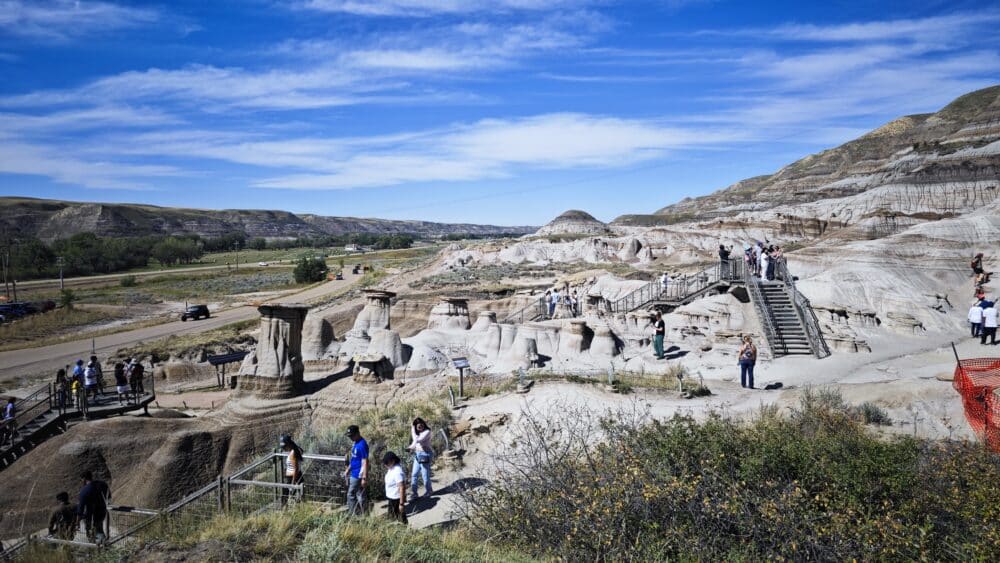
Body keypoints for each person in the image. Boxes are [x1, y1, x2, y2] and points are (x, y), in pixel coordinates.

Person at [77, 470, 110, 543]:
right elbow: (109, 497)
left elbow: (80, 509)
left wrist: (77, 522)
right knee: (98, 529)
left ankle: (102, 546)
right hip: (102, 512)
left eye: (81, 480)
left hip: (91, 515)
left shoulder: (84, 490)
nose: (81, 481)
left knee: (95, 532)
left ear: (84, 478)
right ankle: (98, 546)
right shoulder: (103, 484)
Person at [344, 425, 369, 516]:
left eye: (352, 436)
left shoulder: (362, 445)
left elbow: (365, 461)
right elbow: (354, 459)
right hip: (354, 472)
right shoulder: (356, 443)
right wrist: (348, 469)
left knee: (350, 495)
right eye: (349, 436)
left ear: (357, 433)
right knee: (360, 495)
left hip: (358, 474)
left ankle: (355, 514)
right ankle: (364, 514)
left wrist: (364, 477)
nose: (350, 438)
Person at [408, 418, 433, 499]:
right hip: (418, 454)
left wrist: (412, 429)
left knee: (425, 475)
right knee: (414, 474)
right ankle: (414, 493)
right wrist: (410, 448)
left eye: (421, 425)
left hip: (425, 454)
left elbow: (418, 440)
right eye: (418, 426)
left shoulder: (427, 432)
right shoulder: (418, 433)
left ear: (424, 424)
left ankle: (429, 491)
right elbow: (414, 443)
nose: (420, 427)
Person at [382, 452, 408, 524]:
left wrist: (401, 504)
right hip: (392, 498)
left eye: (387, 463)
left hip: (396, 499)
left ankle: (405, 532)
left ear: (393, 461)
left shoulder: (397, 471)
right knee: (393, 517)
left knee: (400, 519)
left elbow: (402, 487)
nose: (385, 464)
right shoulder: (391, 468)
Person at [279, 435, 304, 507]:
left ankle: (285, 510)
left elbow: (295, 468)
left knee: (286, 497)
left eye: (284, 446)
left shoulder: (293, 453)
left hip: (291, 477)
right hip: (297, 476)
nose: (283, 448)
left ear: (289, 444)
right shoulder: (296, 450)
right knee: (299, 495)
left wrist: (292, 484)